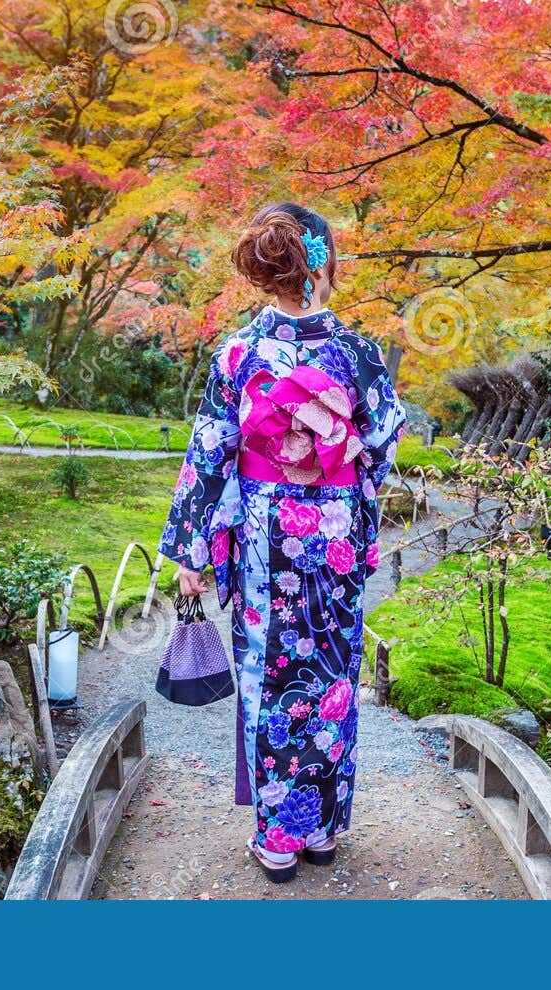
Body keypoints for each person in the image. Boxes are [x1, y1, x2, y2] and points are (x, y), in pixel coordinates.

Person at [159, 203, 406, 883]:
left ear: (267, 269)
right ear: (323, 262)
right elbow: (382, 442)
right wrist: (339, 476)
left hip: (267, 538)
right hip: (333, 540)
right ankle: (322, 830)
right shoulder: (359, 353)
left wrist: (192, 553)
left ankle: (278, 839)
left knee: (270, 679)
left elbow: (209, 454)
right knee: (330, 679)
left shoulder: (238, 353)